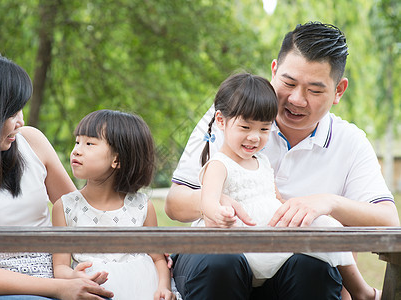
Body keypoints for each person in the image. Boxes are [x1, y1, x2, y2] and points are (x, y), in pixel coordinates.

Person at [165, 22, 399, 300]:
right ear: (274, 71)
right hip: (218, 257)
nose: (297, 99)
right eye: (288, 83)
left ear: (339, 91)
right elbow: (175, 203)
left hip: (286, 262)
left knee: (312, 269)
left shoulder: (350, 141)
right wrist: (215, 202)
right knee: (222, 261)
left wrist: (328, 202)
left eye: (314, 90)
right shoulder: (230, 116)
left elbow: (388, 220)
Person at [199, 71, 379, 299]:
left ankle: (357, 289)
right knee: (323, 232)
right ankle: (361, 292)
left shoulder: (262, 162)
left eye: (264, 129)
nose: (255, 137)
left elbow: (276, 200)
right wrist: (220, 212)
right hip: (246, 242)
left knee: (326, 225)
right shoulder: (219, 164)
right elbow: (207, 201)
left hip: (273, 235)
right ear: (222, 121)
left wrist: (296, 212)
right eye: (245, 128)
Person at [0, 52, 113, 300]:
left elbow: (77, 212)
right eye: (12, 113)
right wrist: (62, 289)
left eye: (21, 110)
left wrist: (146, 251)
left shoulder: (31, 142)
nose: (21, 121)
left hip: (54, 279)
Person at [52, 110, 176, 300]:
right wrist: (74, 276)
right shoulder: (66, 207)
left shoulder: (142, 206)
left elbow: (158, 258)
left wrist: (164, 288)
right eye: (77, 142)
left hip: (143, 288)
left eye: (89, 143)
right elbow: (60, 267)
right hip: (94, 291)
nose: (76, 150)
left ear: (116, 160)